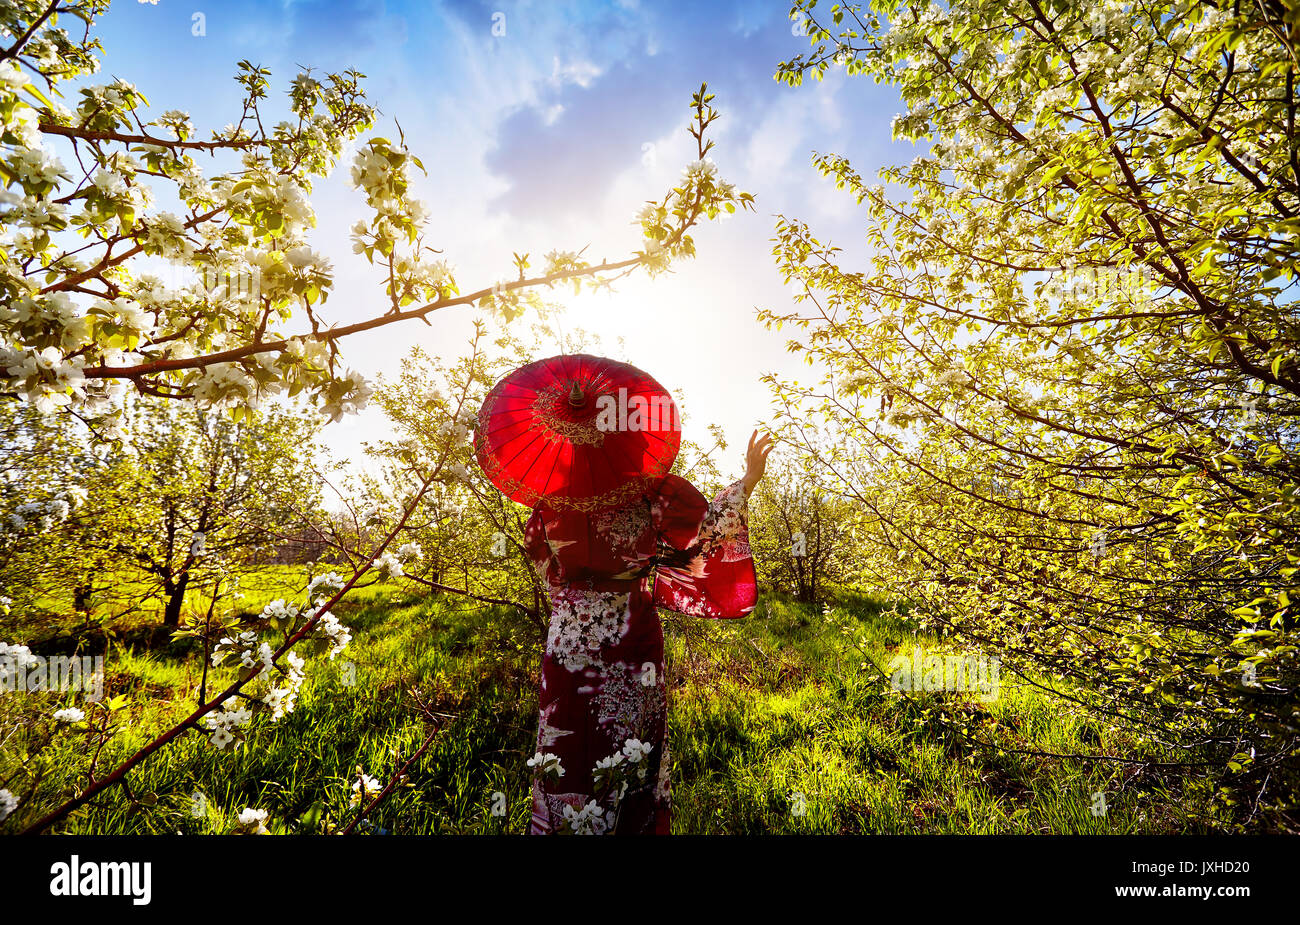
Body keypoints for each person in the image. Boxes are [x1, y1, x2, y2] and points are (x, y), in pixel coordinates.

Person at [523, 429, 773, 834]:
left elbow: (545, 567)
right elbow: (704, 533)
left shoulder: (548, 502)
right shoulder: (648, 491)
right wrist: (747, 482)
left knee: (566, 745)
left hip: (567, 641)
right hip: (629, 636)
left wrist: (575, 601)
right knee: (627, 747)